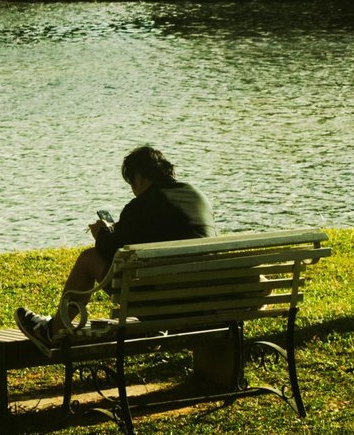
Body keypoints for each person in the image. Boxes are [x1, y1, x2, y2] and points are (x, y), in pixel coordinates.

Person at [16, 145, 215, 348]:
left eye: (131, 183)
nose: (133, 189)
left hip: (162, 305)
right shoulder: (197, 197)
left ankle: (53, 331)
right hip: (206, 299)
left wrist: (101, 233)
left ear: (138, 177)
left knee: (88, 259)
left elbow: (110, 251)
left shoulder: (141, 206)